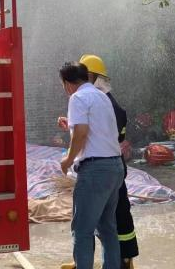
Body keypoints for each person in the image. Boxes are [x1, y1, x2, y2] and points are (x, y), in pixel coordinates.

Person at [59, 62, 124, 269]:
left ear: (67, 83)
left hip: (95, 170)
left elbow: (81, 133)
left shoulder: (77, 97)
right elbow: (96, 129)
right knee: (107, 228)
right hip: (115, 167)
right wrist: (71, 125)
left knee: (82, 230)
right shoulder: (102, 96)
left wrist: (68, 160)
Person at [78, 55, 139, 269]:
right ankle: (119, 259)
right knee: (110, 217)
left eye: (83, 77)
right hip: (113, 166)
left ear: (92, 77)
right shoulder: (104, 100)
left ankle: (124, 260)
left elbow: (103, 135)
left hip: (104, 166)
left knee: (109, 218)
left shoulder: (103, 102)